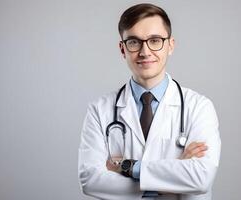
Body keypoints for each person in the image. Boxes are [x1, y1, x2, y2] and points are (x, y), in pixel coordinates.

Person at [78, 3, 221, 200]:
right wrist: (172, 179)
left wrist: (128, 167)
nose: (145, 52)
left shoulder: (199, 107)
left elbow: (200, 178)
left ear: (170, 45)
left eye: (155, 40)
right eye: (134, 42)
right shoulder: (99, 110)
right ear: (122, 49)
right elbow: (90, 180)